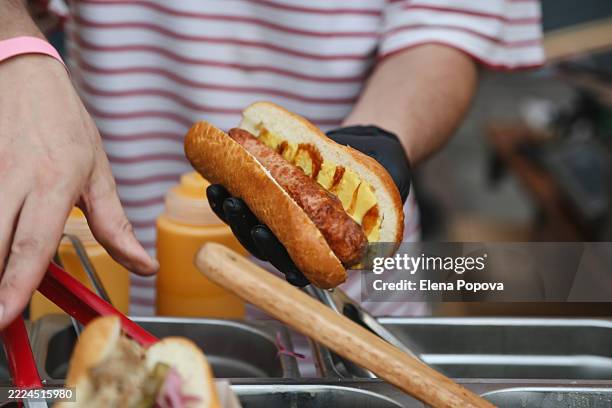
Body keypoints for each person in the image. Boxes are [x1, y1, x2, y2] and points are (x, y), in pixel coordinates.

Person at [0, 0, 543, 327]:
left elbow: (448, 23)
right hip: (112, 287)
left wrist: (378, 139)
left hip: (351, 314)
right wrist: (16, 49)